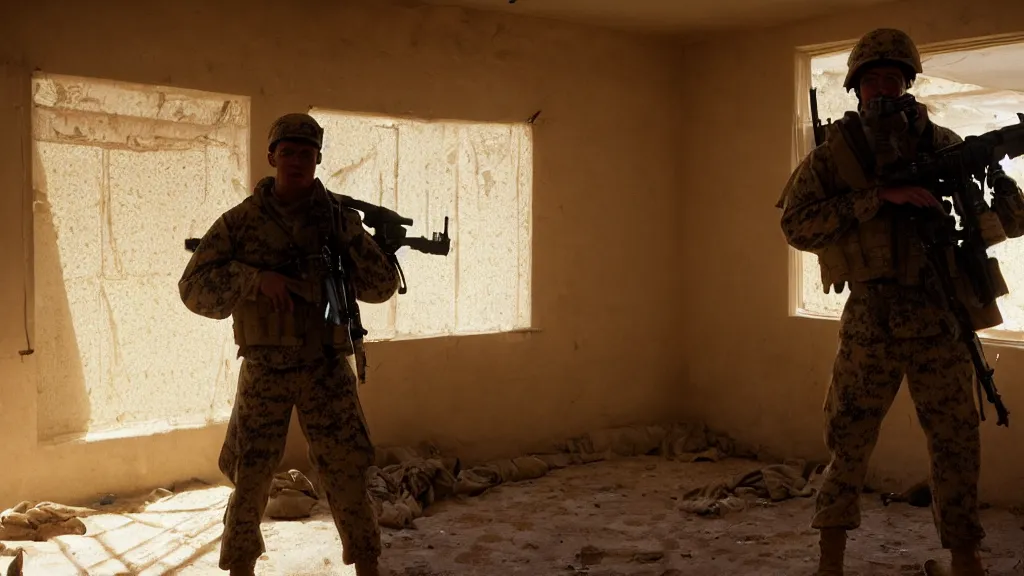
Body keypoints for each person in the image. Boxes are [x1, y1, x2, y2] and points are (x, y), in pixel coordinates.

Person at [777, 28, 1024, 576]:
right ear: (856, 88)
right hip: (873, 318)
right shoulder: (834, 158)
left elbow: (1003, 224)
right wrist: (875, 198)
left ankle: (965, 555)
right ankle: (830, 557)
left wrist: (994, 187)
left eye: (893, 77)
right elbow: (794, 225)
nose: (882, 87)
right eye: (872, 79)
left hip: (941, 314)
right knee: (849, 441)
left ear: (909, 83)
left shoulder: (943, 145)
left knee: (957, 440)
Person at [179, 113, 400, 576]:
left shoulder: (339, 219)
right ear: (271, 157)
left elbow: (380, 287)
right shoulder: (241, 222)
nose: (296, 161)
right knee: (251, 476)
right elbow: (193, 287)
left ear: (318, 159)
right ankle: (240, 566)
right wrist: (253, 280)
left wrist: (353, 237)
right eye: (288, 152)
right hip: (265, 370)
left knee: (346, 472)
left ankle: (368, 565)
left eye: (306, 153)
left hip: (325, 366)